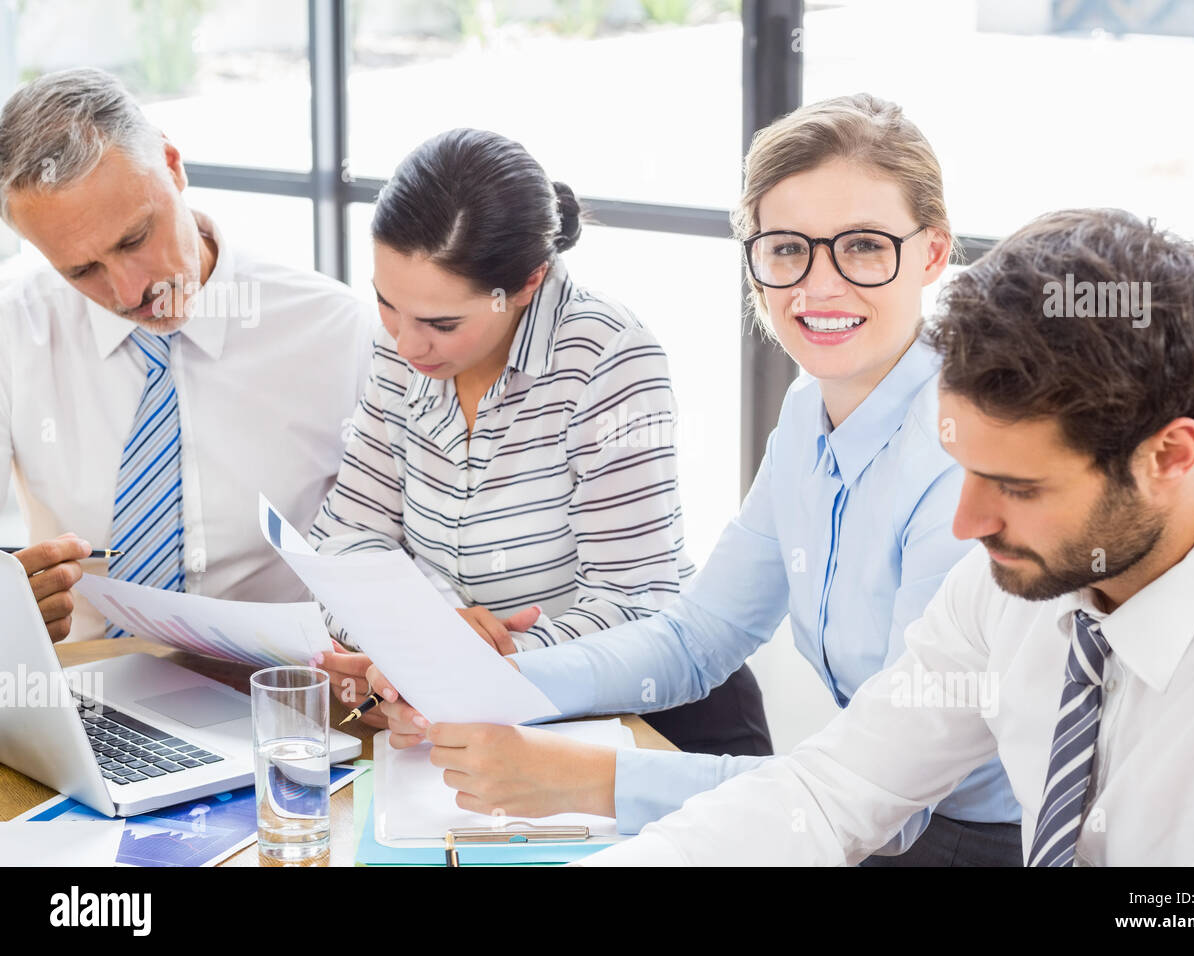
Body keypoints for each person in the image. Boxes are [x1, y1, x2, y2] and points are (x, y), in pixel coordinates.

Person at [368, 94, 1023, 865]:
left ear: (934, 254)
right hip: (859, 815)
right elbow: (698, 635)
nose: (818, 287)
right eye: (786, 249)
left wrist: (590, 780)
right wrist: (490, 680)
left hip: (970, 841)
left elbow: (883, 803)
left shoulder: (963, 458)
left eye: (865, 247)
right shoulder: (811, 412)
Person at [574, 207, 1194, 866]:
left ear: (1168, 456)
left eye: (1018, 487)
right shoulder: (1006, 584)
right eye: (965, 471)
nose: (968, 524)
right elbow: (835, 791)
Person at [309, 127, 771, 757]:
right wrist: (426, 640)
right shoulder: (400, 350)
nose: (407, 343)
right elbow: (344, 538)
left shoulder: (608, 358)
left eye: (442, 323)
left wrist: (478, 664)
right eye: (387, 304)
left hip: (652, 729)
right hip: (464, 725)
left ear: (528, 281)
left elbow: (635, 603)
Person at [0, 68, 374, 642]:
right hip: (85, 692)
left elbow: (397, 557)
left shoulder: (336, 329)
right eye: (81, 270)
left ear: (173, 166)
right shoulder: (12, 322)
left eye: (134, 239)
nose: (128, 293)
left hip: (279, 695)